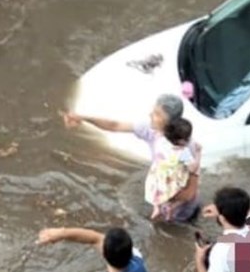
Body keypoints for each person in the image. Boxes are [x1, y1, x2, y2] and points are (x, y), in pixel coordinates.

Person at [64, 93, 202, 222]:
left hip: (183, 210)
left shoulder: (184, 146)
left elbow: (189, 191)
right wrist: (83, 118)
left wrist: (170, 204)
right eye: (153, 111)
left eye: (157, 114)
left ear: (171, 122)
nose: (150, 115)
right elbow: (115, 125)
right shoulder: (151, 130)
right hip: (164, 197)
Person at [144, 116, 196, 221]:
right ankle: (171, 207)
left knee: (158, 195)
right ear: (182, 141)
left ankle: (157, 208)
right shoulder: (183, 152)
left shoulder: (160, 141)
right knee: (186, 196)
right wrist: (198, 153)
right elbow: (192, 168)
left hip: (158, 175)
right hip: (171, 180)